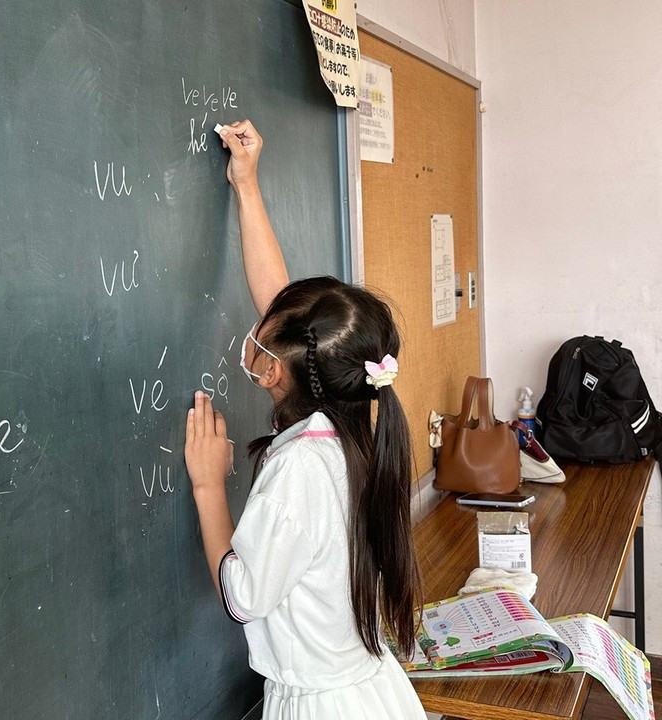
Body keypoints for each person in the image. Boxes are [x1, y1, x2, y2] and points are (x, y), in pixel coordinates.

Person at [184, 120, 426, 719]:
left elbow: (242, 594)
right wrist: (247, 184)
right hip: (368, 692)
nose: (254, 335)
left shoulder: (299, 468)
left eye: (261, 343)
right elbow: (283, 307)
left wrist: (208, 486)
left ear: (274, 373)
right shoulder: (350, 428)